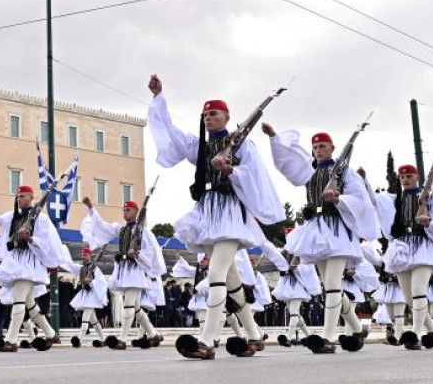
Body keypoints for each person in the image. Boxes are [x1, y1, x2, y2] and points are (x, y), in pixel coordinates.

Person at [147, 75, 284, 359]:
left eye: (214, 114)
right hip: (208, 213)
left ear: (227, 117)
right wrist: (159, 98)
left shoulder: (241, 145)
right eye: (206, 115)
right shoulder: (201, 145)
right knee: (231, 279)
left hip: (230, 214)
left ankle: (207, 340)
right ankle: (255, 334)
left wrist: (232, 169)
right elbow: (171, 132)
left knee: (216, 273)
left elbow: (256, 176)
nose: (209, 119)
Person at [263, 124, 377, 354]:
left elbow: (359, 199)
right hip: (316, 229)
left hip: (336, 229)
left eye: (322, 146)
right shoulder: (309, 170)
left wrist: (338, 200)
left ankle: (327, 336)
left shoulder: (344, 171)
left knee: (333, 284)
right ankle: (356, 329)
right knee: (330, 285)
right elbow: (289, 162)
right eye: (315, 147)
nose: (318, 150)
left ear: (332, 148)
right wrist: (275, 137)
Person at [367, 163, 433, 351]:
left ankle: (416, 335)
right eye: (402, 177)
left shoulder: (432, 200)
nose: (405, 179)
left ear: (417, 177)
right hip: (402, 249)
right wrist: (365, 181)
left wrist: (430, 223)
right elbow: (374, 202)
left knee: (419, 291)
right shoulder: (395, 200)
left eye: (409, 176)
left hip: (423, 248)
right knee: (409, 298)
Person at [0, 184, 69, 352]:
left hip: (29, 263)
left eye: (23, 196)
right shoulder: (11, 216)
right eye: (18, 196)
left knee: (18, 300)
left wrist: (31, 239)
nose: (19, 199)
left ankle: (12, 340)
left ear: (31, 197)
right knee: (30, 304)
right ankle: (51, 334)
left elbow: (47, 241)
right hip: (15, 262)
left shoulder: (41, 219)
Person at [81, 197, 164, 349]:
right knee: (136, 308)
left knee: (128, 305)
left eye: (128, 210)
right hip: (125, 270)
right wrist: (91, 207)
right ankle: (154, 335)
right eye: (124, 210)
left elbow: (152, 251)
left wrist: (137, 254)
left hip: (136, 271)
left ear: (136, 212)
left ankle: (123, 339)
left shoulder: (143, 231)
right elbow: (102, 226)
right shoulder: (121, 229)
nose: (125, 213)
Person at [69, 246, 109, 348]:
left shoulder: (95, 268)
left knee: (85, 318)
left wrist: (91, 281)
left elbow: (102, 282)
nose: (83, 256)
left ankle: (80, 340)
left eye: (85, 254)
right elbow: (71, 265)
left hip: (91, 295)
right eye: (82, 254)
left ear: (90, 255)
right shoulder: (81, 268)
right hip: (84, 294)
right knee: (94, 321)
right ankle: (103, 339)